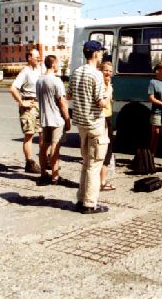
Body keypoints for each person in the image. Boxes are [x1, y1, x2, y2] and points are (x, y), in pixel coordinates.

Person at [67, 40, 109, 214]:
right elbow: (100, 102)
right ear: (96, 54)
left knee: (86, 163)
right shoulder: (96, 75)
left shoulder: (76, 72)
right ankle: (90, 203)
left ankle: (80, 198)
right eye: (101, 53)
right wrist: (108, 96)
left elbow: (69, 95)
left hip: (81, 124)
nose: (102, 56)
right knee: (95, 165)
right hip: (95, 124)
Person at [36, 55, 71, 185]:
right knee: (55, 148)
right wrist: (67, 120)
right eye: (58, 63)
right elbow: (62, 102)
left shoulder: (39, 80)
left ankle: (43, 173)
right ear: (53, 64)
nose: (59, 66)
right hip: (56, 119)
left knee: (44, 146)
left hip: (45, 119)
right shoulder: (56, 81)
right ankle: (55, 176)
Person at [9, 49, 43, 174]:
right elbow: (13, 88)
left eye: (39, 57)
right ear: (29, 58)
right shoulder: (25, 72)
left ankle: (44, 160)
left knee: (42, 134)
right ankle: (30, 163)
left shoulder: (40, 70)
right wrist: (21, 102)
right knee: (29, 135)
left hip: (40, 105)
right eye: (36, 57)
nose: (39, 59)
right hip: (29, 106)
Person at [99, 61, 116, 191]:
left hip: (108, 117)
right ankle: (102, 182)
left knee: (107, 150)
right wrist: (108, 89)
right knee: (106, 150)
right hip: (102, 119)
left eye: (110, 71)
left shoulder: (108, 84)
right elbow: (104, 103)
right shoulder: (102, 85)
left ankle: (101, 180)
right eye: (106, 70)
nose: (108, 73)